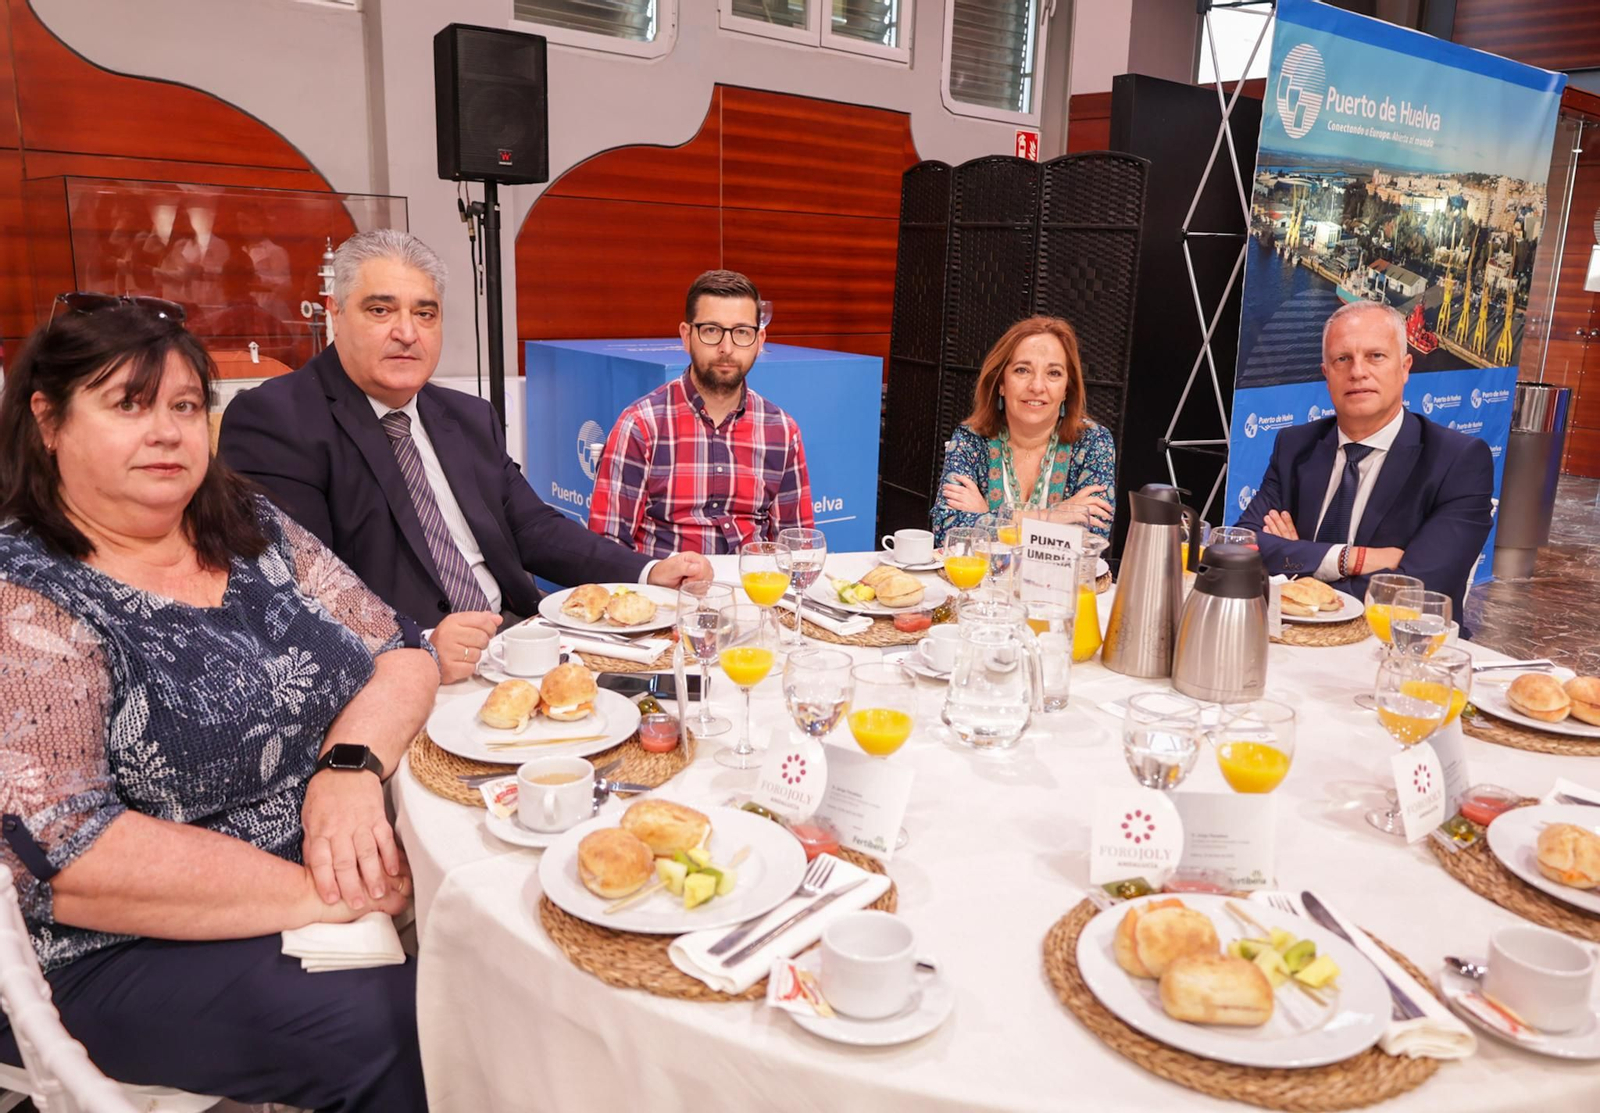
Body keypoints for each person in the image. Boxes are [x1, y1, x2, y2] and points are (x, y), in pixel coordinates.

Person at [0, 296, 432, 1110]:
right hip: (111, 944)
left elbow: (401, 650)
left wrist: (345, 770)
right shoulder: (25, 590)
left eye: (186, 405)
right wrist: (322, 893)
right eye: (128, 403)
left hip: (332, 867)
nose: (167, 431)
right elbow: (68, 852)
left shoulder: (246, 525)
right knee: (391, 1023)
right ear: (48, 420)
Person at [219, 231, 710, 683]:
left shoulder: (467, 416)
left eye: (425, 313)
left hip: (520, 640)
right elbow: (294, 593)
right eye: (380, 310)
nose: (407, 332)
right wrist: (421, 644)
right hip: (397, 671)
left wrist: (647, 571)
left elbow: (533, 528)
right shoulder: (276, 419)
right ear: (335, 313)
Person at [1236, 300, 1493, 623]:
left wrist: (1301, 570)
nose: (1358, 372)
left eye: (1376, 356)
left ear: (1405, 367)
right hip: (1290, 638)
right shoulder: (1295, 446)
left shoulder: (1457, 461)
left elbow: (1416, 591)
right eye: (1343, 359)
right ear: (1326, 375)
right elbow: (1243, 546)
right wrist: (1349, 559)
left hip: (1399, 649)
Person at [587, 269, 815, 556]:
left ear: (759, 341)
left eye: (742, 332)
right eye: (711, 331)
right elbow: (607, 548)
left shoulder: (782, 431)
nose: (727, 348)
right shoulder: (641, 425)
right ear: (686, 336)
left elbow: (796, 547)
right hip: (666, 595)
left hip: (752, 593)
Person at [932, 316, 1116, 544]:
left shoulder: (1093, 441)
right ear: (1001, 383)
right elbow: (947, 530)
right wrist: (1052, 517)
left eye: (1054, 373)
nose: (1037, 386)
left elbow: (1091, 537)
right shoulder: (970, 438)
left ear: (1067, 389)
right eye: (1022, 370)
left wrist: (986, 519)